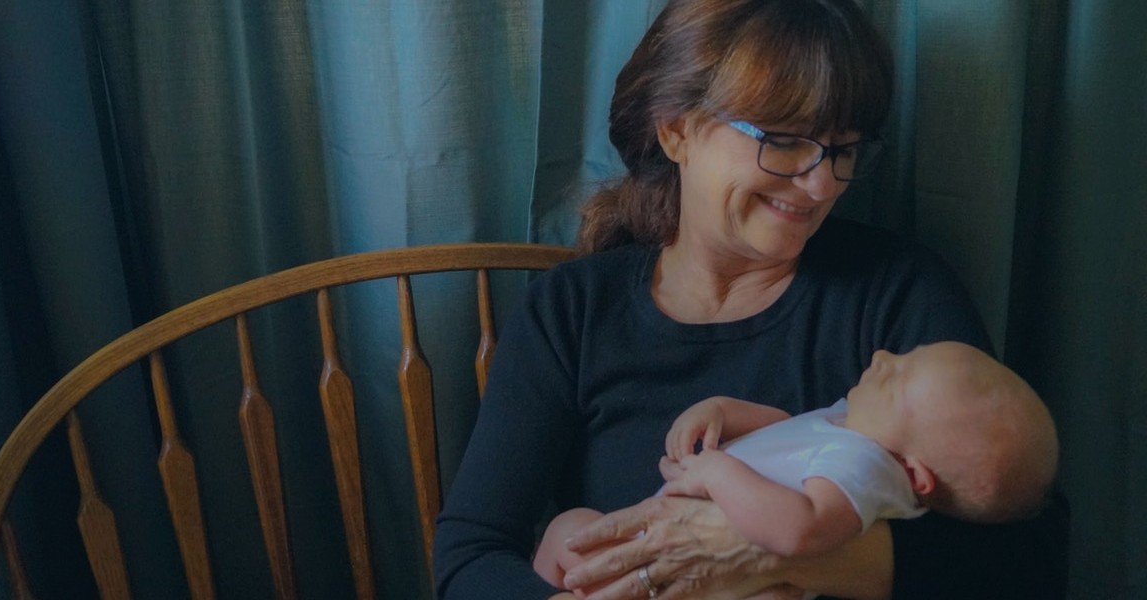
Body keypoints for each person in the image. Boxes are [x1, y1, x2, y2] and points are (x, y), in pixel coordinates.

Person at [433, 0, 1068, 598]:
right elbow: (470, 554)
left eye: (842, 150)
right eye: (783, 139)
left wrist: (773, 553)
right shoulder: (571, 311)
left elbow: (1030, 558)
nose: (820, 184)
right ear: (677, 131)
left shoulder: (898, 292)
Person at [532, 341, 1059, 596]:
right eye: (904, 354)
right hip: (658, 559)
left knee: (569, 533)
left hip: (727, 588)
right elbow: (787, 433)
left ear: (914, 473)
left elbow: (799, 526)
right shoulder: (855, 429)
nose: (881, 357)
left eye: (897, 378)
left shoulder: (866, 462)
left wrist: (715, 471)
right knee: (570, 532)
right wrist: (726, 411)